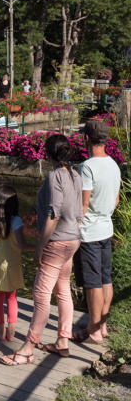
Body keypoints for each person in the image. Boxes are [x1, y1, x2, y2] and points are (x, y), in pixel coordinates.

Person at [1, 134, 83, 365]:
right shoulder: (75, 175)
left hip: (56, 242)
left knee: (41, 296)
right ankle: (62, 341)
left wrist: (40, 247)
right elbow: (78, 213)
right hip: (73, 239)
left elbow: (53, 214)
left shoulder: (55, 176)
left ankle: (28, 347)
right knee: (63, 289)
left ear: (48, 154)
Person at [73, 119, 121, 344]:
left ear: (87, 139)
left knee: (92, 282)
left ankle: (93, 329)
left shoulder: (87, 167)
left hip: (90, 232)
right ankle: (102, 325)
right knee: (105, 278)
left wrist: (73, 228)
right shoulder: (113, 164)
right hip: (106, 228)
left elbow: (82, 204)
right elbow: (116, 199)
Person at [0, 186, 35, 342]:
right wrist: (39, 246)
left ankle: (1, 333)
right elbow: (22, 245)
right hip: (11, 265)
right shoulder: (16, 221)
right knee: (11, 298)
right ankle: (11, 333)